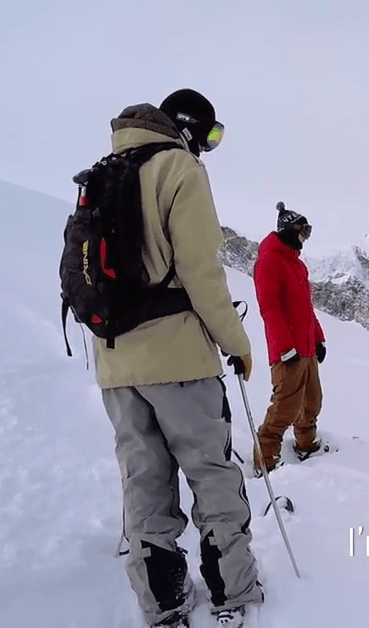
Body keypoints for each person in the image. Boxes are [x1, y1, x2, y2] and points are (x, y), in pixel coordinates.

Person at [96, 89, 263, 628]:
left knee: (143, 478)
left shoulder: (105, 173)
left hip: (115, 363)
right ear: (189, 127)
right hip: (181, 362)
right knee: (212, 473)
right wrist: (236, 343)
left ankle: (163, 602)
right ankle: (232, 591)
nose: (209, 148)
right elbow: (201, 272)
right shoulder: (179, 168)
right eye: (209, 135)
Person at [252, 201, 327, 475]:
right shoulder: (269, 261)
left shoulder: (296, 265)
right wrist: (285, 347)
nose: (305, 237)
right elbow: (269, 308)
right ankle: (266, 458)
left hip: (305, 346)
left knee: (312, 400)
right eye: (303, 230)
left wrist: (317, 338)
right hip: (288, 350)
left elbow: (306, 307)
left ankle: (306, 444)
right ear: (289, 230)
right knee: (285, 405)